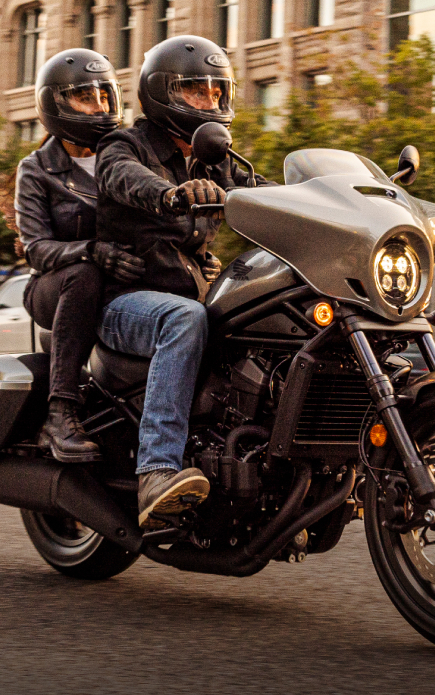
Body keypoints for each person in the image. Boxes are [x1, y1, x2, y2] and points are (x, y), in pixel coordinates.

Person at [96, 35, 271, 528]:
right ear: (163, 93)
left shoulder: (216, 159)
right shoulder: (122, 145)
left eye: (219, 91)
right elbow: (125, 178)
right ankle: (156, 470)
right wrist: (172, 195)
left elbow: (264, 193)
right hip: (126, 304)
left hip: (190, 295)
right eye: (198, 90)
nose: (212, 102)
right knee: (185, 317)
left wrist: (332, 202)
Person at [17, 48, 146, 463]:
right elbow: (36, 249)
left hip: (122, 281)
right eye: (85, 97)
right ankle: (60, 411)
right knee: (84, 274)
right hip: (55, 287)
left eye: (106, 96)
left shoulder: (128, 154)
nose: (100, 106)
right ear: (55, 103)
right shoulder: (37, 169)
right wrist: (92, 251)